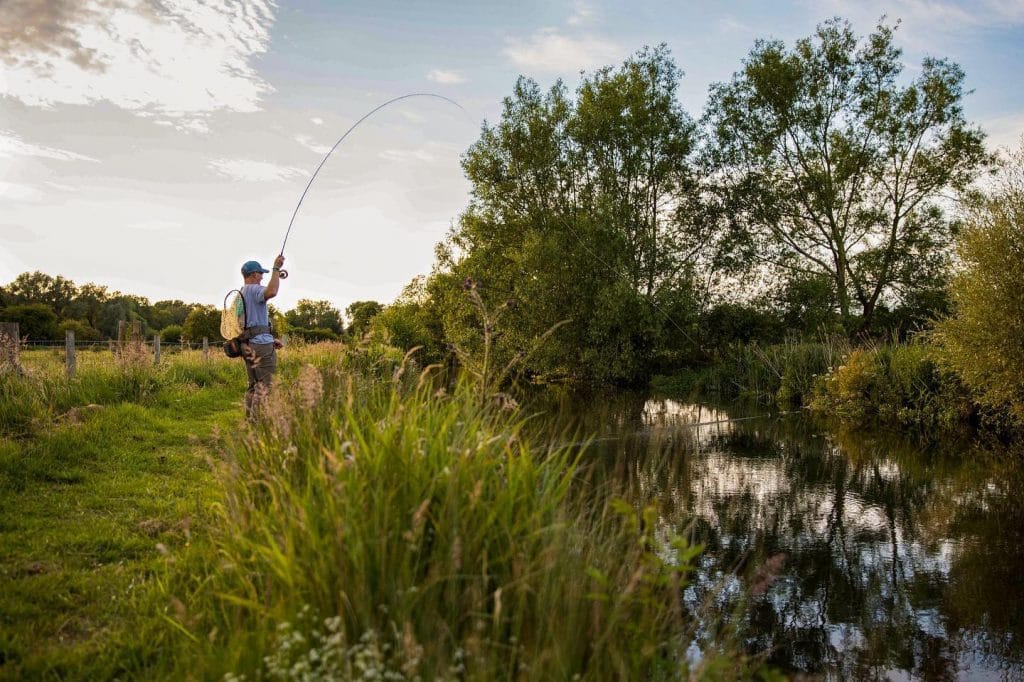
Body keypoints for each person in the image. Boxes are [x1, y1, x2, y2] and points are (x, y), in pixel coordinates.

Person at [239, 255, 285, 419]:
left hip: (248, 344)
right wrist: (276, 268)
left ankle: (250, 421)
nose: (262, 277)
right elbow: (272, 291)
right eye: (260, 273)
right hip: (261, 347)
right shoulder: (253, 289)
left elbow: (245, 323)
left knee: (253, 385)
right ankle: (260, 426)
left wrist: (271, 339)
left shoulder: (242, 294)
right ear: (253, 275)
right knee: (265, 386)